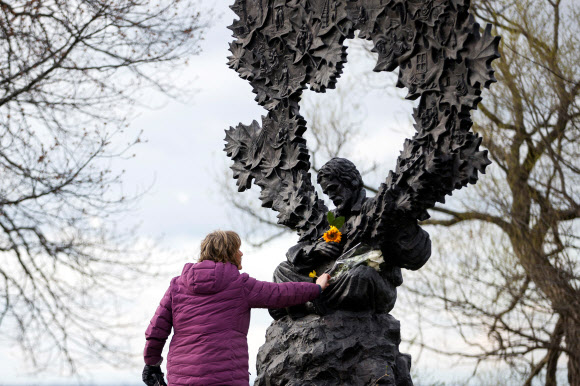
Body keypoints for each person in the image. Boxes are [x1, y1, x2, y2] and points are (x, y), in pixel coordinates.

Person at [142, 230, 331, 386]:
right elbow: (279, 294)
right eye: (237, 249)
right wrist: (316, 287)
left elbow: (156, 330)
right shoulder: (239, 284)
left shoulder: (177, 286)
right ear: (228, 252)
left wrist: (151, 364)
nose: (241, 253)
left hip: (182, 379)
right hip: (227, 379)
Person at [271, 157, 431, 317]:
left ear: (351, 181)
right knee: (282, 270)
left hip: (372, 284)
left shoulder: (377, 208)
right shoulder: (331, 218)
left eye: (334, 188)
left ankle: (303, 303)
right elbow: (298, 249)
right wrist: (314, 250)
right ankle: (307, 300)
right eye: (327, 192)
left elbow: (416, 252)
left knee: (360, 276)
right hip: (328, 280)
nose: (331, 196)